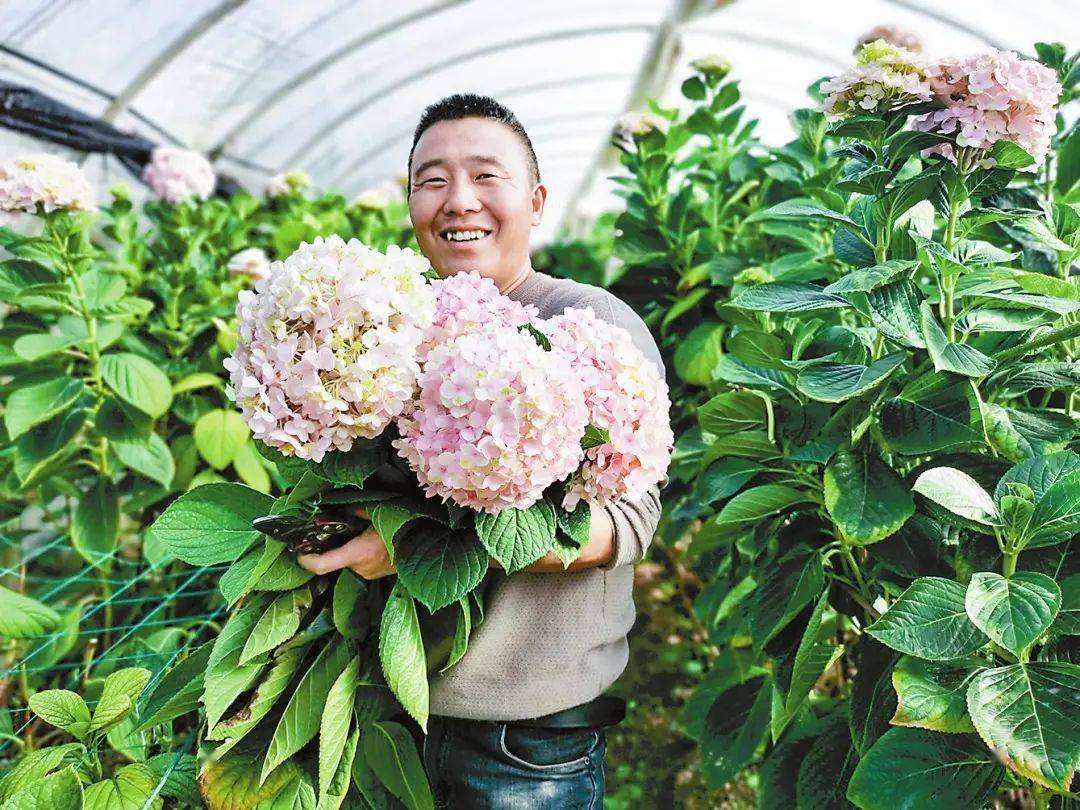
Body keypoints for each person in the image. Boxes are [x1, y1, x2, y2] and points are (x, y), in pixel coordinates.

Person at [296, 93, 666, 809]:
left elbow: (628, 522)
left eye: (485, 176)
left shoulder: (588, 321)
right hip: (386, 712)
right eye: (432, 180)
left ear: (535, 200)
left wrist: (416, 546)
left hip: (523, 747)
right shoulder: (390, 331)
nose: (458, 200)